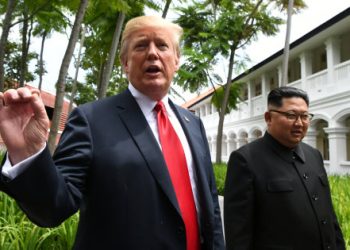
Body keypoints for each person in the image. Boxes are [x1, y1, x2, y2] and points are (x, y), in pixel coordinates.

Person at [0, 16, 225, 250]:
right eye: (141, 45)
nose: (152, 53)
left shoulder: (193, 123)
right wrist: (29, 153)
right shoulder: (91, 120)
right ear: (125, 63)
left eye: (162, 45)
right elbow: (54, 208)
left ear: (176, 60)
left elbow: (210, 207)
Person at [224, 86, 345, 250]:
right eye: (291, 115)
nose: (300, 123)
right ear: (268, 118)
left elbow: (329, 216)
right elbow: (238, 233)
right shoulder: (245, 160)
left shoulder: (314, 155)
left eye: (305, 116)